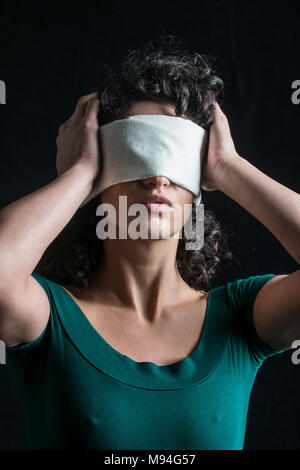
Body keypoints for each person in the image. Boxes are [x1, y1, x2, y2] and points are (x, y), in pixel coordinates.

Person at [0, 34, 299, 450]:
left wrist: (231, 169)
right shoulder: (48, 319)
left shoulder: (239, 320)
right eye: (136, 149)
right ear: (101, 173)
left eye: (176, 156)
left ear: (197, 182)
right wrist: (78, 176)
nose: (158, 177)